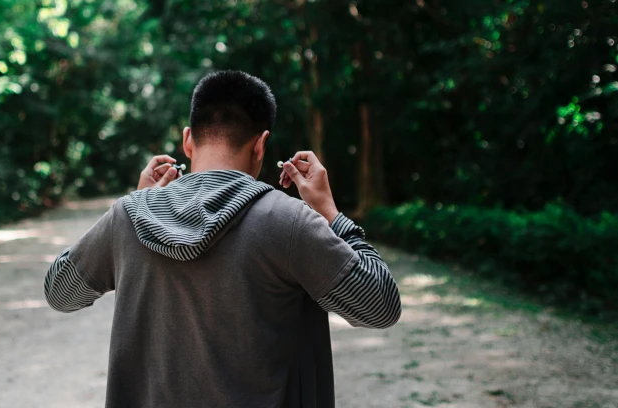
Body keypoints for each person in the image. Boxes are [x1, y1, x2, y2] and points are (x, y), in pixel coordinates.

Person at [44, 70, 402, 408]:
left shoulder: (127, 218)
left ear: (188, 140)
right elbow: (380, 307)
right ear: (261, 145)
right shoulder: (289, 221)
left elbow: (60, 292)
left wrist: (140, 204)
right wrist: (330, 215)